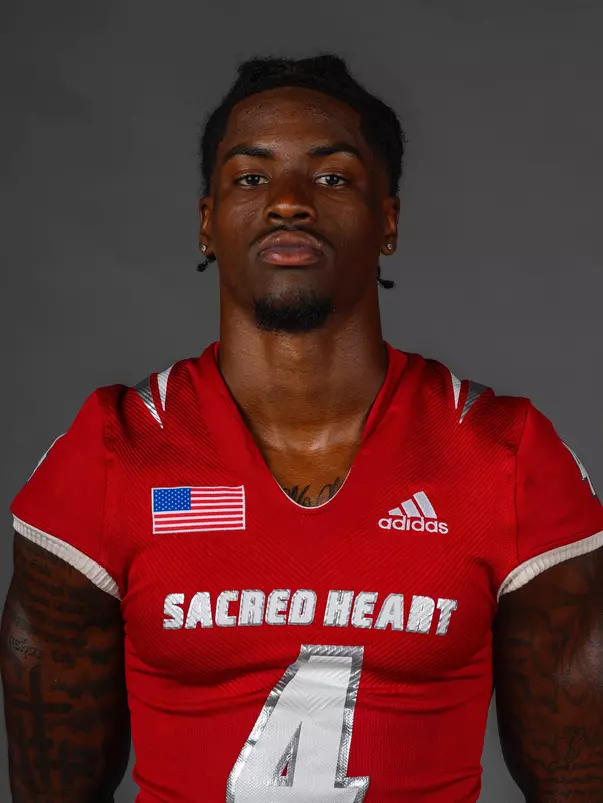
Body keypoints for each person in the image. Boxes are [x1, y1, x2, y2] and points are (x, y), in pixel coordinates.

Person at [2, 53, 603, 803]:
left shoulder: (504, 455)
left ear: (386, 219)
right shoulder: (112, 450)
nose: (288, 201)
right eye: (250, 178)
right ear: (206, 222)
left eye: (332, 177)